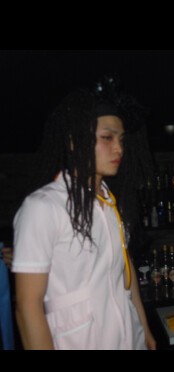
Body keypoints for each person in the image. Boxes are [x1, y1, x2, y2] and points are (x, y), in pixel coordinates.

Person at [12, 76, 157, 350]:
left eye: (121, 139)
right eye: (107, 138)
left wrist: (144, 328)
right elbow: (27, 307)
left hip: (129, 339)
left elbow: (125, 273)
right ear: (74, 141)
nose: (119, 148)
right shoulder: (43, 207)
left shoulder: (113, 205)